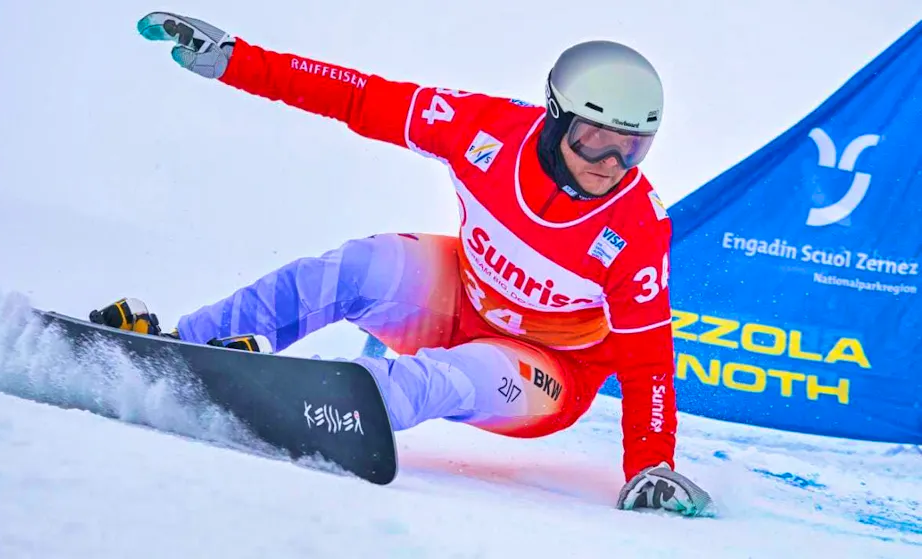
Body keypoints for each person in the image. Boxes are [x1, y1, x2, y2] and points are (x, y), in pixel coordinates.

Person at [102, 11, 713, 516]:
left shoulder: (635, 228)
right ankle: (187, 343)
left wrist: (651, 465)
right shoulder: (488, 130)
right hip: (464, 299)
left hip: (548, 372)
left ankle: (333, 410)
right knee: (361, 265)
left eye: (631, 148)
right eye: (593, 138)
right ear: (555, 118)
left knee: (459, 373)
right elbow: (359, 97)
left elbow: (648, 362)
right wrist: (236, 60)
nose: (609, 163)